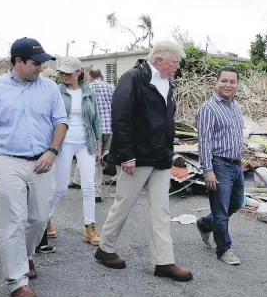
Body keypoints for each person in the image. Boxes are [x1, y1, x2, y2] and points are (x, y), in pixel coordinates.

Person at [95, 40, 193, 282]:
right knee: (124, 204)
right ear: (159, 59)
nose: (177, 66)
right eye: (175, 62)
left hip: (160, 157)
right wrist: (126, 154)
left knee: (161, 210)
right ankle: (105, 249)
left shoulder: (166, 83)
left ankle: (164, 262)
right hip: (136, 157)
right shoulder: (133, 78)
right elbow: (121, 117)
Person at [0, 37, 68, 297]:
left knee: (38, 219)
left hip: (43, 159)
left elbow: (60, 121)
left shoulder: (50, 89)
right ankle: (17, 281)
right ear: (18, 62)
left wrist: (53, 150)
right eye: (36, 63)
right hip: (6, 160)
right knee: (11, 220)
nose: (40, 67)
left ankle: (26, 256)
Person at [47, 56, 102, 246]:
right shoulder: (56, 91)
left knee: (89, 186)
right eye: (62, 72)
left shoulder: (89, 92)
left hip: (85, 142)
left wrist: (98, 147)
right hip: (64, 142)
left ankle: (89, 228)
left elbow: (96, 121)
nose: (64, 75)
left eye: (68, 72)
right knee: (60, 185)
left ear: (79, 72)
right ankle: (45, 219)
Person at [196, 67, 245, 265]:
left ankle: (205, 223)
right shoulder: (208, 109)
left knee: (237, 203)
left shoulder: (236, 107)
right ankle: (224, 249)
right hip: (219, 164)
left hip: (236, 164)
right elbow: (204, 141)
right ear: (216, 83)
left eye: (232, 82)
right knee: (221, 210)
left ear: (237, 85)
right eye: (224, 81)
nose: (228, 85)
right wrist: (208, 170)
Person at [70, 68, 115, 203]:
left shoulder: (88, 88)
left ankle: (96, 192)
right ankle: (77, 180)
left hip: (94, 129)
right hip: (109, 128)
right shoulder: (111, 87)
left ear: (90, 77)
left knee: (95, 160)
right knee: (98, 156)